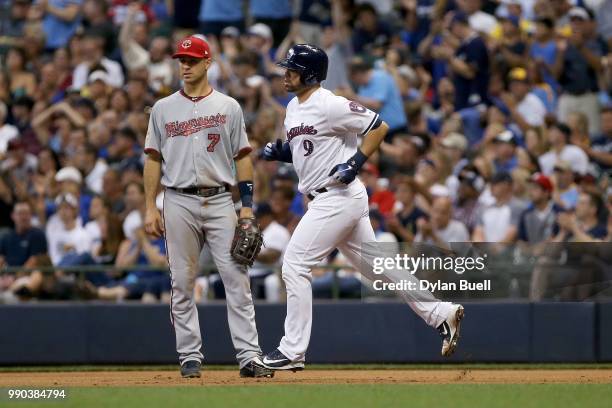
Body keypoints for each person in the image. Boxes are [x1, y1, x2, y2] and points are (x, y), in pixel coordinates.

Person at [261, 44, 464, 371]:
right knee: (378, 269)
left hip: (337, 196)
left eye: (292, 69)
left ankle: (292, 351)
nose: (286, 73)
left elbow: (378, 126)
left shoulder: (330, 103)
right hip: (332, 197)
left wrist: (355, 162)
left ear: (310, 73)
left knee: (295, 264)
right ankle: (442, 313)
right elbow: (310, 149)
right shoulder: (294, 108)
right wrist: (283, 152)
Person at [143, 35, 272, 379]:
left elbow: (243, 158)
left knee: (236, 278)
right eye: (181, 60)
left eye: (191, 60)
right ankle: (189, 356)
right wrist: (149, 207)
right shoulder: (163, 108)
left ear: (207, 63)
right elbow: (152, 160)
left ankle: (249, 356)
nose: (184, 66)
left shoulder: (228, 106)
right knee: (182, 280)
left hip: (219, 199)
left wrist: (247, 207)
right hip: (177, 199)